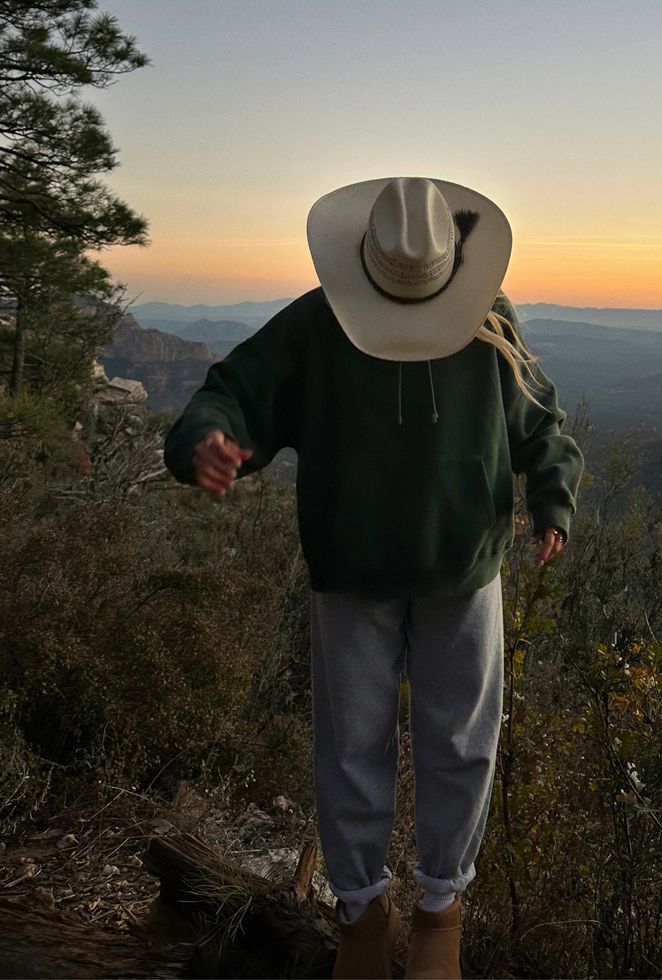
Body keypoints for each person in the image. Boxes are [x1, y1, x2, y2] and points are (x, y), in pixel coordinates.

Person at [163, 176, 584, 979]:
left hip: (464, 566)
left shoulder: (489, 321)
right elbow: (229, 392)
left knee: (460, 743)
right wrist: (206, 441)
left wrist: (552, 497)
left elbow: (539, 419)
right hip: (351, 567)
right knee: (350, 745)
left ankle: (440, 912)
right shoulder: (317, 326)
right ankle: (360, 915)